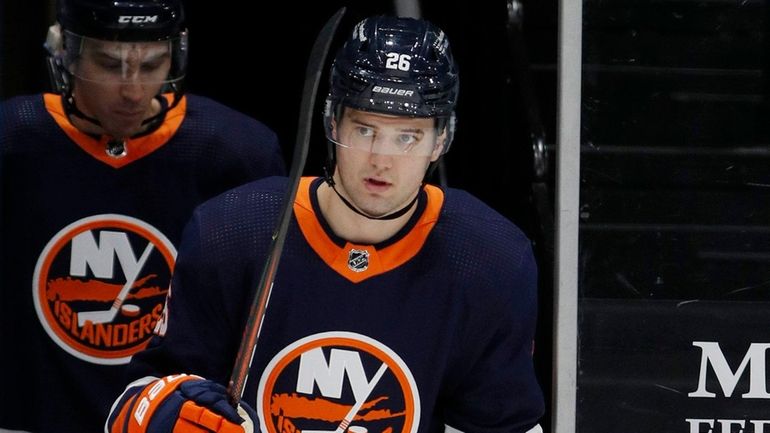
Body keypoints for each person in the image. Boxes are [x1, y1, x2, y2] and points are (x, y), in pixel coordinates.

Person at [106, 15, 545, 433]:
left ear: (441, 139)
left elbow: (501, 423)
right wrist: (167, 414)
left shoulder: (490, 259)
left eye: (407, 137)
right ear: (332, 122)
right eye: (364, 129)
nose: (381, 160)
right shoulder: (232, 231)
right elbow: (136, 401)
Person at [0, 0, 286, 432]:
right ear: (66, 53)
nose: (133, 91)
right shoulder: (12, 140)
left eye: (153, 64)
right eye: (109, 64)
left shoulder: (237, 154)